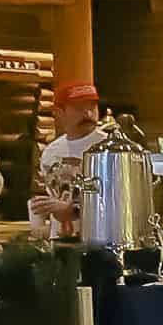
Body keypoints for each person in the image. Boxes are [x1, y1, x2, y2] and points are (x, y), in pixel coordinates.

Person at [28, 82, 105, 239]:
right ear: (58, 112)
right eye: (78, 108)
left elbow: (117, 203)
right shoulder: (51, 152)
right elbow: (52, 195)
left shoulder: (109, 149)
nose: (88, 114)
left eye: (92, 107)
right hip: (61, 242)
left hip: (99, 242)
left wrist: (74, 210)